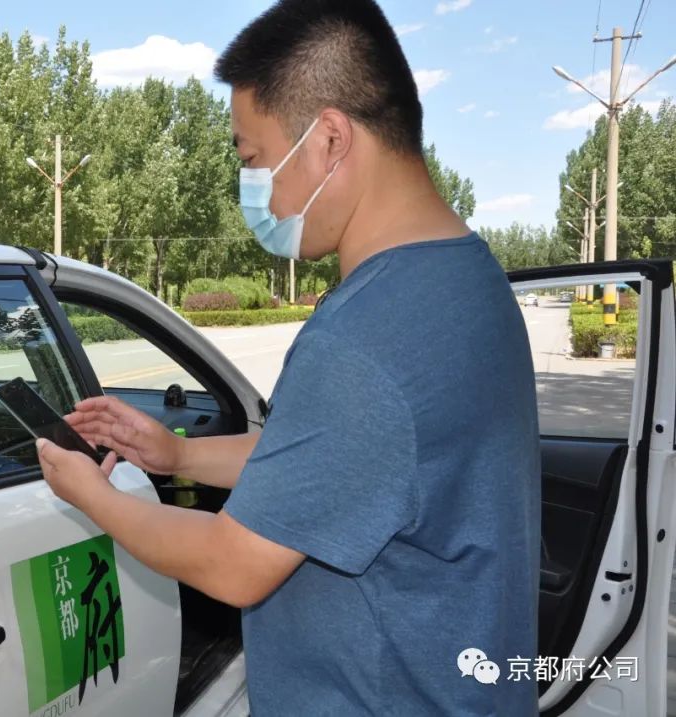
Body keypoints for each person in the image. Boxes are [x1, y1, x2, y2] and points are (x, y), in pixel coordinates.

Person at [35, 0, 540, 714]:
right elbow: (344, 462)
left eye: (253, 156)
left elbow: (232, 564)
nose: (254, 185)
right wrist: (178, 457)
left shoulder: (364, 340)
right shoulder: (467, 280)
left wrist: (92, 494)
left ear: (329, 138)